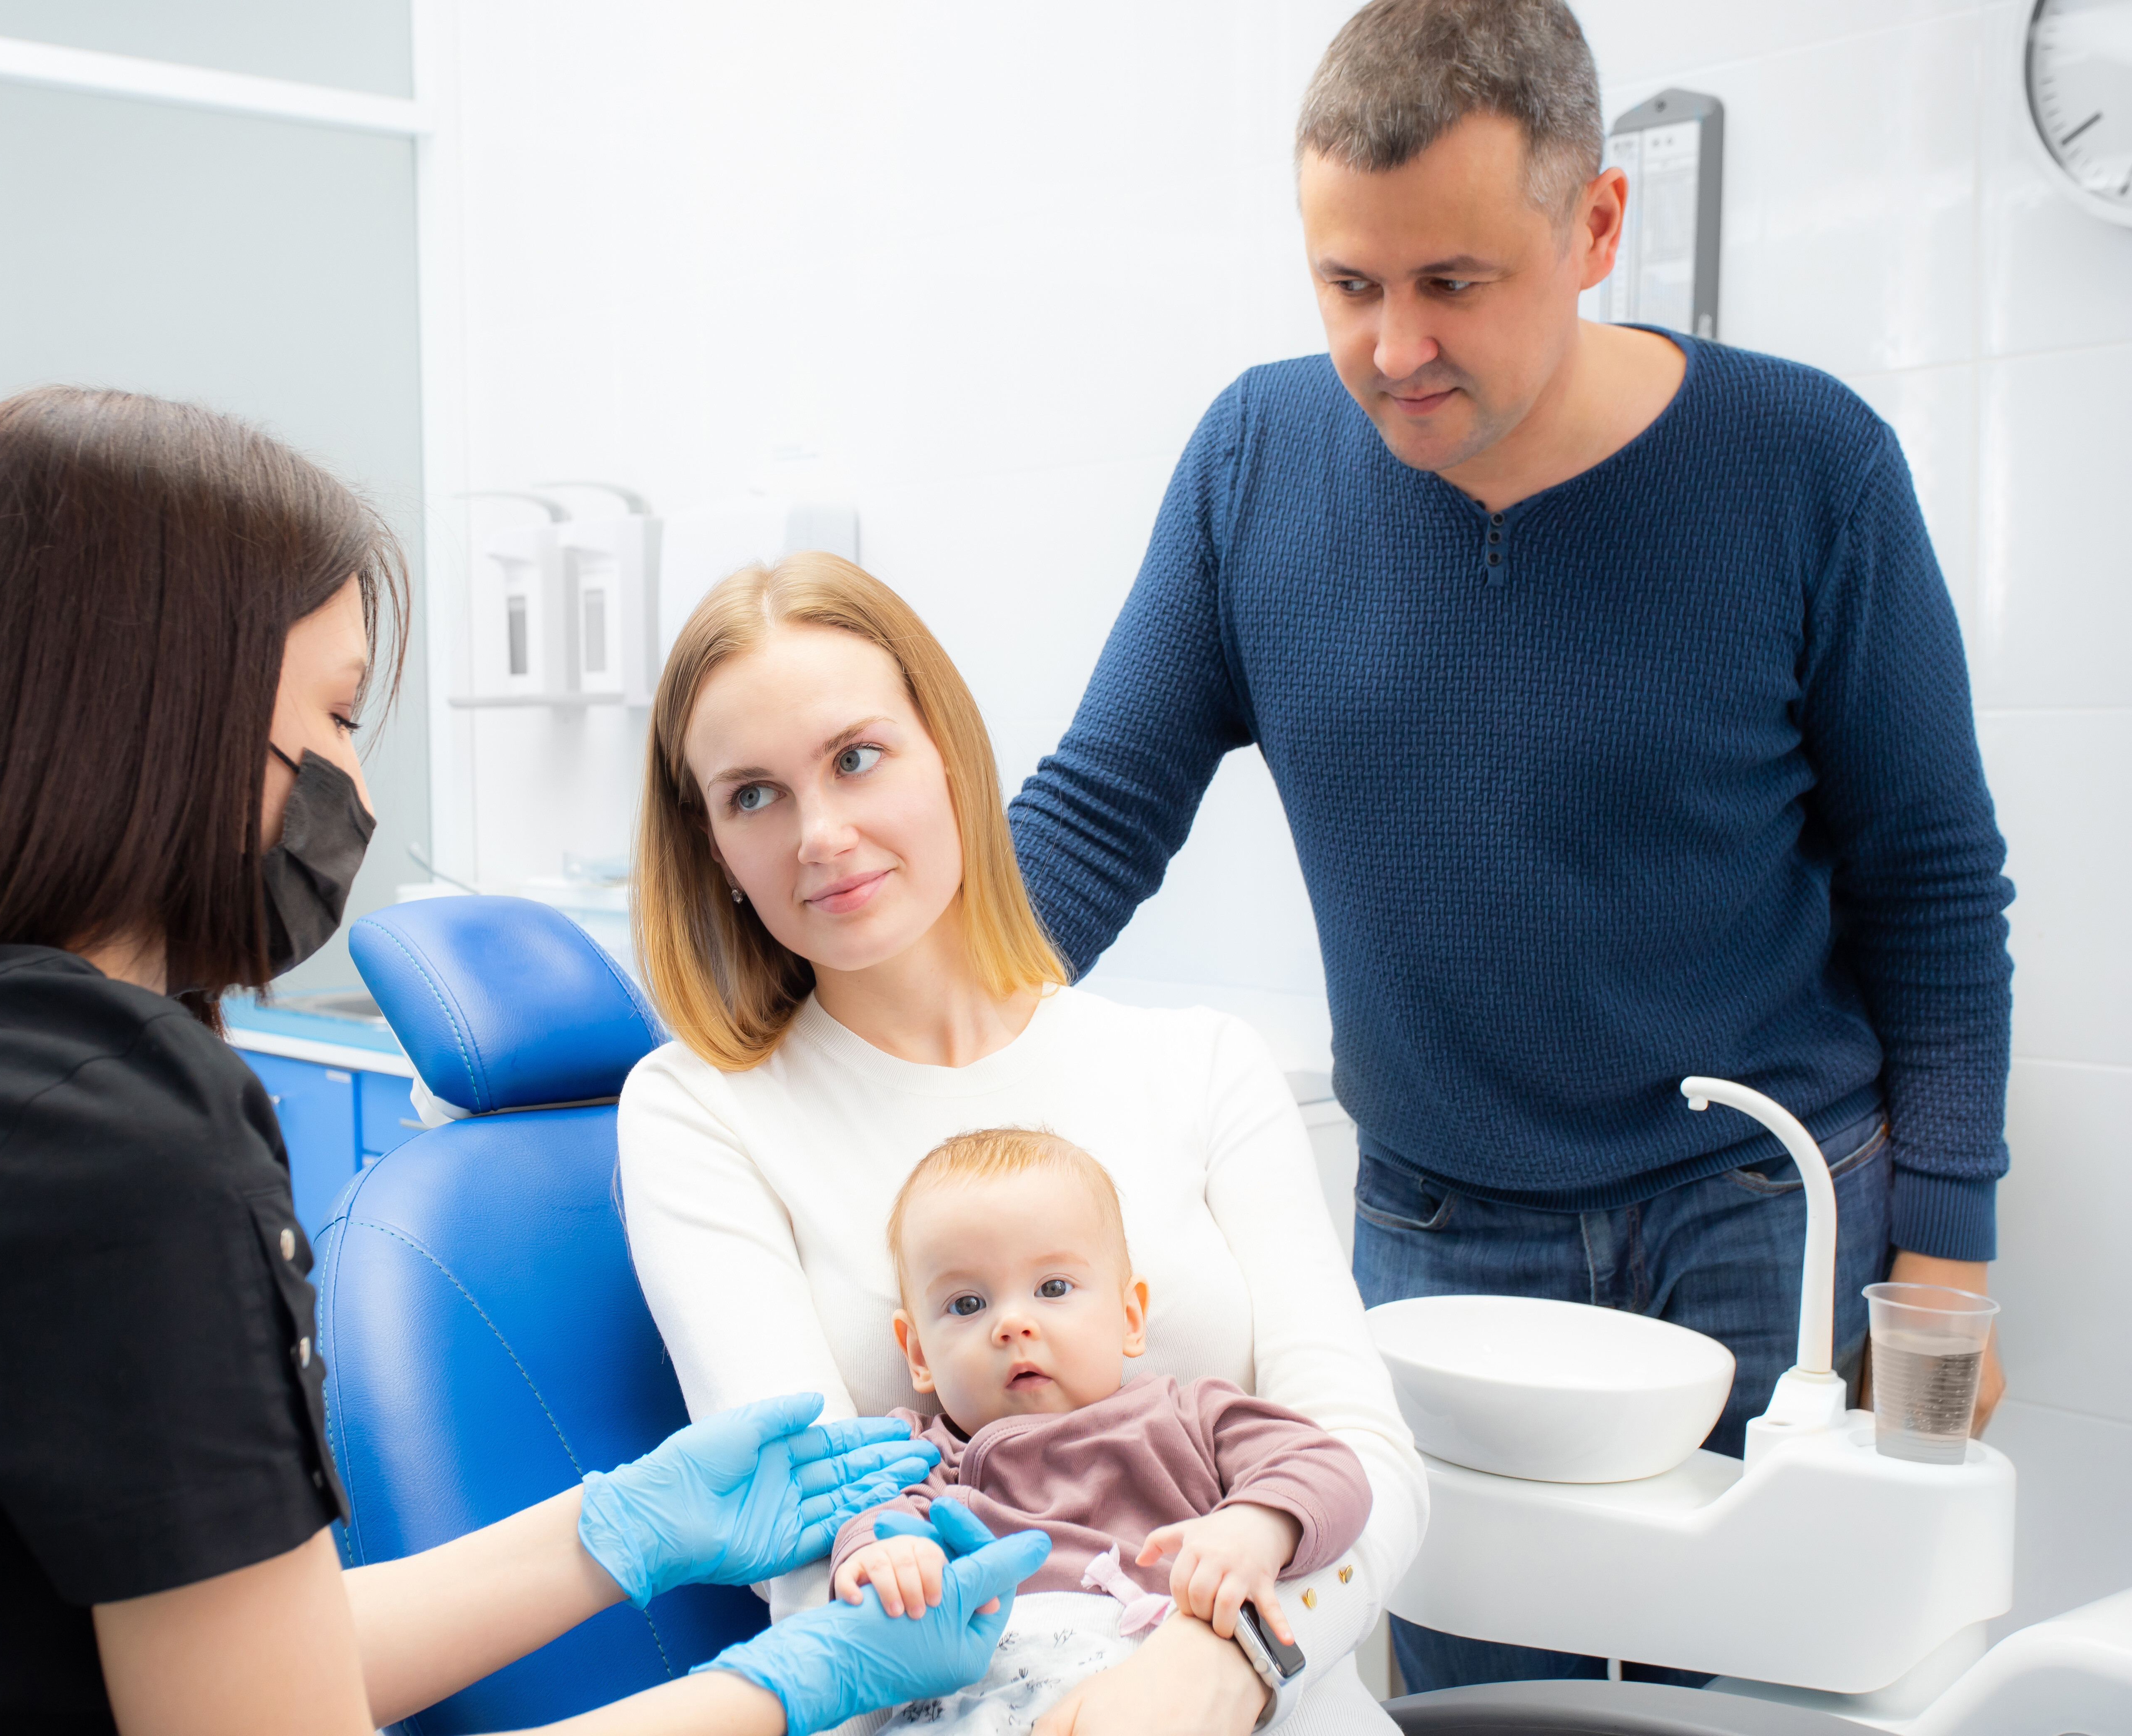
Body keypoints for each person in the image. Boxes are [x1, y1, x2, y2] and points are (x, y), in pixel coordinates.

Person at [0, 386, 1052, 1736]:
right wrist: (776, 1689)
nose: (356, 789)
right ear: (151, 725)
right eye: (331, 713)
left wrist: (622, 1530)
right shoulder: (96, 1137)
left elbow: (257, 1661)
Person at [1003, 0, 2014, 1694]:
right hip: (1437, 1228)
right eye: (1348, 284)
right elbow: (1097, 814)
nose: (1395, 344)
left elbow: (1932, 878)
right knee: (1473, 1693)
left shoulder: (1808, 469)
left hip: (1760, 1209)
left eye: (1453, 284)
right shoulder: (1256, 462)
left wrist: (1952, 1259)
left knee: (1760, 1695)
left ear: (1594, 228)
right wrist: (882, 1050)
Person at [618, 551, 1425, 1736]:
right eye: (754, 796)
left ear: (946, 748)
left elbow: (1369, 1464)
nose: (823, 835)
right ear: (713, 849)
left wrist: (1226, 1668)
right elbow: (808, 1545)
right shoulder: (700, 1112)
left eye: (856, 758)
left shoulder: (1200, 1062)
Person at [826, 1128, 1378, 1736]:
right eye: (966, 1305)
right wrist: (892, 1558)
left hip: (1179, 1696)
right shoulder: (923, 1456)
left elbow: (1328, 1469)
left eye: (1053, 1289)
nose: (1013, 1323)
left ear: (1131, 1317)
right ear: (919, 1355)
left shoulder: (1188, 1415)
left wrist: (1255, 1527)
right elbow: (864, 1522)